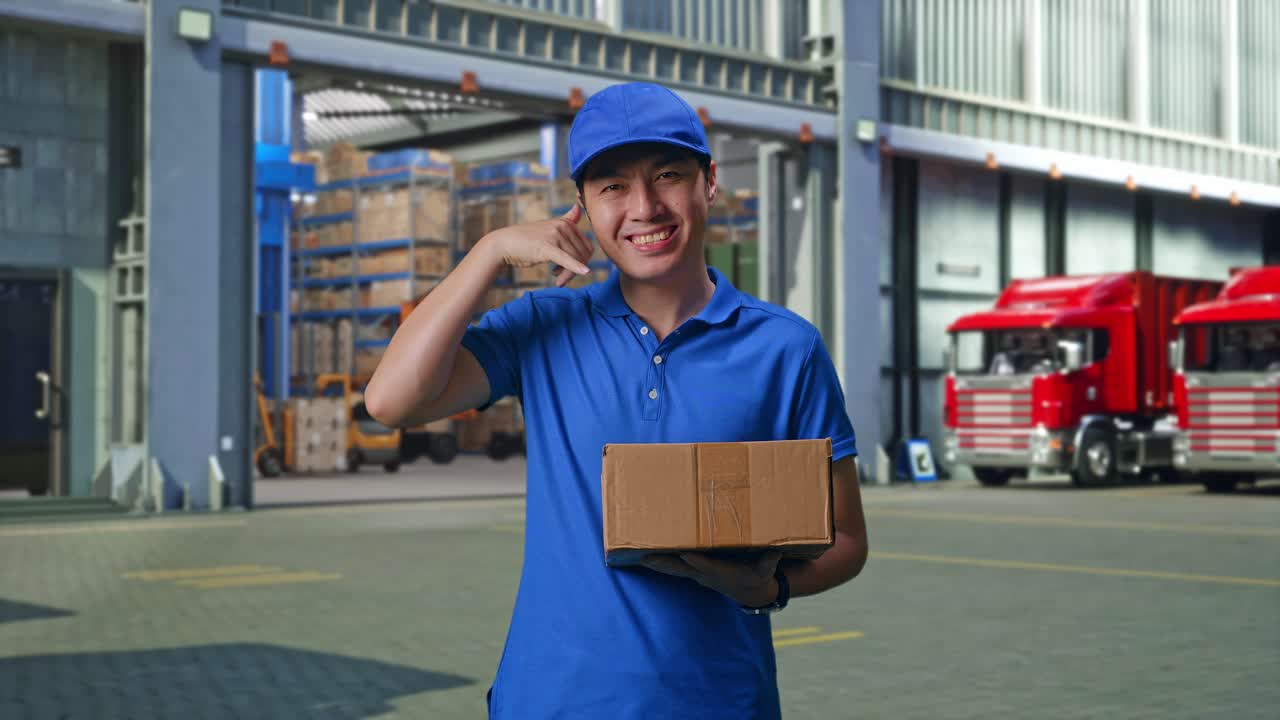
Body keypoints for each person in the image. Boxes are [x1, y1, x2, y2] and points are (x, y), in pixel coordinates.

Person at [365, 81, 869, 719]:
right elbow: (389, 402)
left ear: (709, 182)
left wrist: (769, 587)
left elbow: (847, 538)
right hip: (552, 701)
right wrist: (487, 253)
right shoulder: (542, 327)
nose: (645, 208)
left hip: (717, 702)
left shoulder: (785, 349)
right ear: (581, 205)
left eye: (667, 176)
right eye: (613, 188)